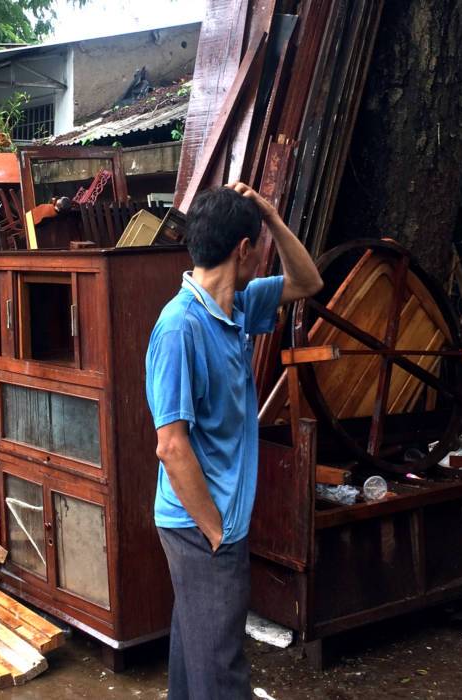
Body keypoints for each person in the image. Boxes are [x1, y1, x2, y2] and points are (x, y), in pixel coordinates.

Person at [145, 182, 323, 699]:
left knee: (195, 655)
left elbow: (307, 281)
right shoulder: (180, 327)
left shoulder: (239, 306)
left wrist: (268, 212)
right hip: (199, 526)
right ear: (244, 250)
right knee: (222, 671)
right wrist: (216, 533)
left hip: (212, 523)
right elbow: (171, 446)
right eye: (259, 242)